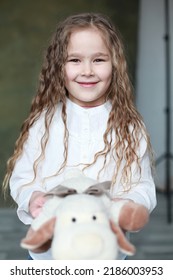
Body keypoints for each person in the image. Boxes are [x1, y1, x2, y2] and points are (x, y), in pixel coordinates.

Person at [3, 12, 156, 259]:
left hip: (108, 251)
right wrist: (33, 197)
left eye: (98, 60)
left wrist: (128, 203)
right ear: (58, 65)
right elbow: (23, 178)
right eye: (74, 59)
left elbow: (142, 185)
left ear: (114, 63)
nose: (87, 71)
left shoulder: (129, 126)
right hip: (51, 256)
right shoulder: (42, 123)